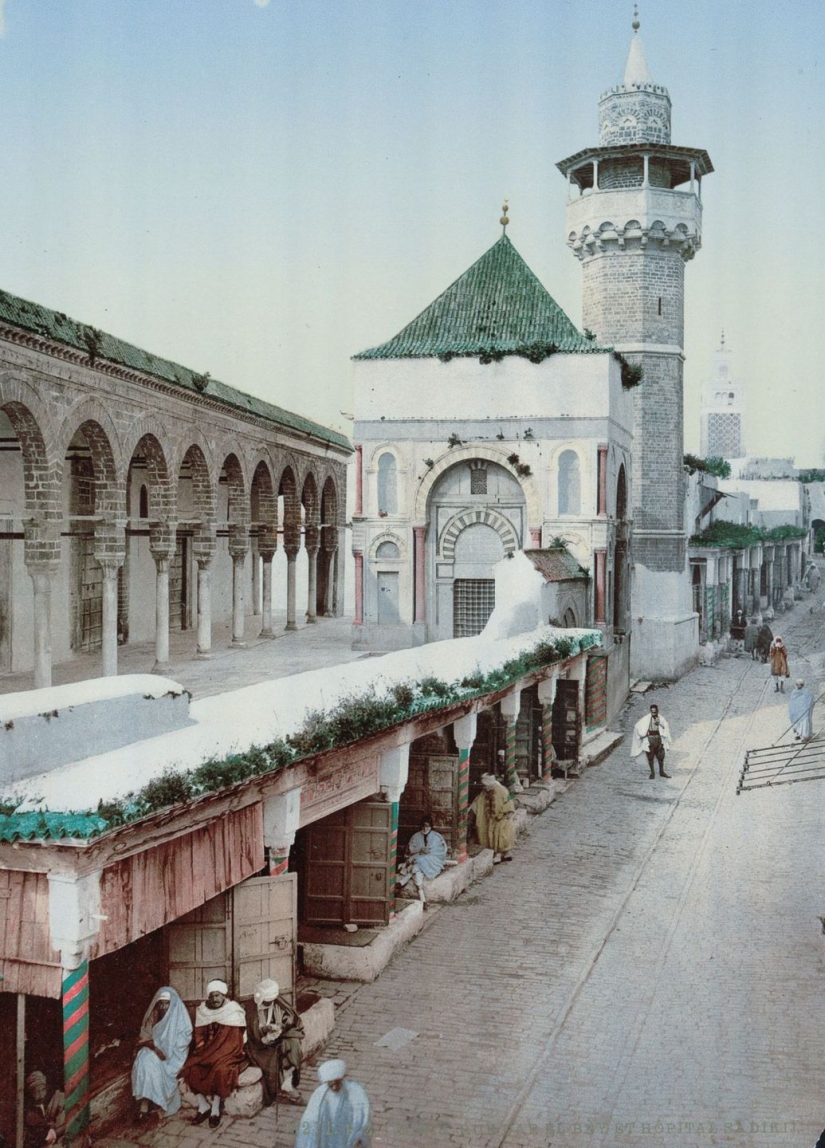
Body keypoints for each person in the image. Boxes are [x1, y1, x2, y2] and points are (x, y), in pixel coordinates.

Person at [180, 979, 247, 1128]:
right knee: (191, 1067)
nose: (215, 999)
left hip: (228, 1053)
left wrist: (216, 1055)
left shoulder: (232, 1010)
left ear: (223, 995)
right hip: (207, 1052)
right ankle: (203, 1106)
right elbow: (199, 1034)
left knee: (220, 1070)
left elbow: (234, 1041)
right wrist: (202, 1049)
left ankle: (215, 1109)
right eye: (212, 996)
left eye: (217, 995)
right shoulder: (203, 1010)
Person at [132, 986, 192, 1120]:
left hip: (172, 1057)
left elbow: (182, 1044)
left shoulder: (181, 1019)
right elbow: (145, 1037)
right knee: (144, 1060)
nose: (164, 1007)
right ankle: (144, 1106)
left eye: (167, 1004)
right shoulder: (153, 1016)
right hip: (154, 1050)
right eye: (161, 1004)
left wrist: (165, 1050)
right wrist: (155, 1048)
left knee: (152, 1063)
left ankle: (155, 1104)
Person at [243, 978, 303, 1107]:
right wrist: (265, 1033)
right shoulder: (250, 1008)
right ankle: (279, 1088)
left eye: (271, 1001)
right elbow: (251, 1033)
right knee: (271, 1056)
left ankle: (288, 1080)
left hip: (278, 1036)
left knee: (293, 1043)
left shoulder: (277, 1002)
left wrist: (281, 1026)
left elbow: (291, 1017)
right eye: (266, 1002)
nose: (269, 1004)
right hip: (258, 1043)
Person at [294, 1059, 371, 1148]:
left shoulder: (353, 1091)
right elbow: (310, 1118)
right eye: (331, 1085)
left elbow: (362, 1114)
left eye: (337, 1084)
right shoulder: (320, 1094)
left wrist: (358, 1134)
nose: (334, 1088)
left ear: (341, 1080)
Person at [396, 817, 447, 906]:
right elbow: (410, 850)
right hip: (418, 859)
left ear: (431, 826)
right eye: (423, 826)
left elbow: (439, 852)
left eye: (427, 826)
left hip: (432, 862)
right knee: (416, 868)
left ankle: (403, 881)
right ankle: (423, 899)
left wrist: (427, 853)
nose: (425, 828)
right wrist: (420, 850)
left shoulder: (436, 837)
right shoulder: (416, 836)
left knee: (417, 862)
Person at [469, 773, 515, 863]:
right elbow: (477, 802)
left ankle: (500, 854)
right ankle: (500, 853)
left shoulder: (501, 790)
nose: (484, 787)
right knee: (491, 835)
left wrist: (504, 814)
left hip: (502, 817)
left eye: (485, 785)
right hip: (490, 819)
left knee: (501, 835)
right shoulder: (485, 792)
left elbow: (509, 802)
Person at [631, 703, 672, 779]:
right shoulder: (646, 719)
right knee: (650, 756)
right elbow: (638, 726)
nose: (654, 713)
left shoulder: (660, 718)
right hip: (650, 738)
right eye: (652, 712)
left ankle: (661, 772)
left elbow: (665, 726)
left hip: (658, 738)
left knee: (661, 756)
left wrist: (660, 724)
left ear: (657, 711)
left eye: (655, 712)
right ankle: (652, 773)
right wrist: (643, 734)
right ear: (650, 711)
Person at [23, 1071, 64, 1148]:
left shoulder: (54, 1100)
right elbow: (45, 1135)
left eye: (42, 1090)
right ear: (31, 1093)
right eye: (36, 1092)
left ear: (46, 1088)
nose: (40, 1095)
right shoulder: (31, 1112)